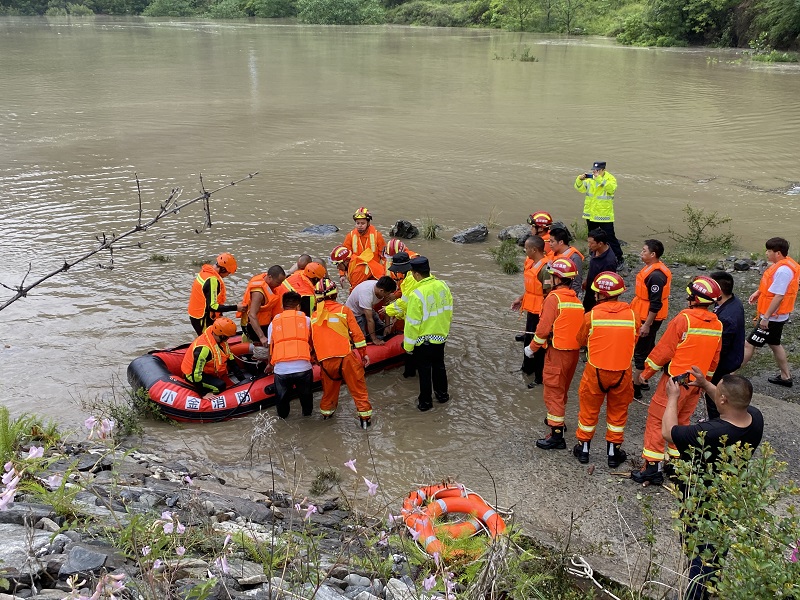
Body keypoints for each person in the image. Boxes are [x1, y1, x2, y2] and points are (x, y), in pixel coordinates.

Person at [662, 368, 763, 600]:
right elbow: (731, 400)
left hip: (700, 500)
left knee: (700, 553)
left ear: (723, 399)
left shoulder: (710, 433)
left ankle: (695, 594)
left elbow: (668, 432)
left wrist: (673, 398)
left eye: (719, 392)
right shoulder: (755, 417)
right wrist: (706, 385)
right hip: (728, 497)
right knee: (717, 546)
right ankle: (711, 588)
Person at [631, 276, 723, 484]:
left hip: (675, 382)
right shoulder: (717, 325)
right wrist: (704, 383)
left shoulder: (684, 319)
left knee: (657, 420)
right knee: (682, 421)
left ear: (694, 297)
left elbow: (663, 351)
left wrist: (645, 374)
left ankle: (652, 467)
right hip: (696, 383)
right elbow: (714, 359)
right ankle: (677, 465)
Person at [573, 272, 639, 466]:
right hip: (622, 372)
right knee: (617, 413)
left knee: (588, 411)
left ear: (601, 294)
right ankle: (613, 453)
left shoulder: (591, 315)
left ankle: (584, 449)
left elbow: (580, 340)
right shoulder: (632, 315)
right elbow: (635, 339)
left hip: (596, 372)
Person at [525, 258, 584, 450]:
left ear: (557, 278)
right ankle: (558, 421)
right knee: (562, 390)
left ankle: (556, 435)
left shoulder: (553, 298)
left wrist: (531, 349)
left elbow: (542, 330)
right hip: (573, 354)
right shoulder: (575, 300)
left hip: (557, 353)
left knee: (553, 392)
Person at [310, 278, 372, 428]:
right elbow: (357, 335)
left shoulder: (313, 317)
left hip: (326, 361)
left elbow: (311, 342)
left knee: (329, 392)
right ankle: (365, 421)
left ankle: (327, 418)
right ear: (335, 294)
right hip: (346, 358)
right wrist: (363, 354)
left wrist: (315, 359)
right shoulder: (344, 310)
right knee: (358, 390)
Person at [739, 237, 800, 387]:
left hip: (772, 317)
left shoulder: (783, 271)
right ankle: (786, 377)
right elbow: (774, 288)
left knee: (749, 344)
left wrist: (765, 318)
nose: (766, 253)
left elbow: (779, 296)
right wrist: (759, 292)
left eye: (769, 251)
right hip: (777, 316)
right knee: (774, 344)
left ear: (777, 253)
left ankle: (729, 374)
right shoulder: (784, 265)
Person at [403, 256, 453, 411]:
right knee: (439, 366)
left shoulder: (416, 294)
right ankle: (442, 395)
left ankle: (425, 402)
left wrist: (408, 347)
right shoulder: (443, 285)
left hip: (423, 341)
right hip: (441, 336)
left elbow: (412, 324)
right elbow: (449, 310)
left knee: (425, 371)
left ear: (416, 274)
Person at [631, 239, 672, 400]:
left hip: (647, 318)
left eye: (644, 251)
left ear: (653, 254)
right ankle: (644, 378)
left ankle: (636, 386)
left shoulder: (656, 276)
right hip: (643, 314)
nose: (641, 253)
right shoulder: (650, 269)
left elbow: (656, 303)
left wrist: (647, 325)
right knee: (648, 347)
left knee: (641, 351)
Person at [266, 292, 313, 419]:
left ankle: (283, 422)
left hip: (282, 371)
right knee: (306, 401)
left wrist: (269, 365)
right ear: (298, 306)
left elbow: (271, 348)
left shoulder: (273, 323)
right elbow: (312, 343)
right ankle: (307, 421)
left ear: (282, 305)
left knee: (282, 405)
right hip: (303, 368)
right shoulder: (307, 320)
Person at [511, 235, 550, 386]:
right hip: (531, 310)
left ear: (534, 250)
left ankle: (539, 378)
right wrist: (520, 299)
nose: (525, 250)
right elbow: (531, 288)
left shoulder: (546, 269)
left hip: (541, 312)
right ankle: (526, 368)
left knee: (539, 344)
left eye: (526, 248)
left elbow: (549, 294)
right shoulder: (532, 264)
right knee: (528, 339)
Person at [706, 271, 745, 419]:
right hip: (732, 359)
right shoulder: (733, 302)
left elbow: (721, 347)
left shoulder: (726, 317)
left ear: (719, 291)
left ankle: (715, 422)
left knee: (714, 395)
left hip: (723, 363)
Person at [574, 161, 623, 265]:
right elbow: (579, 188)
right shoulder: (590, 179)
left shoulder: (610, 178)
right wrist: (579, 179)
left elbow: (612, 189)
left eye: (598, 170)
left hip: (604, 215)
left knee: (610, 237)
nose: (595, 172)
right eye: (594, 170)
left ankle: (618, 258)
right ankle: (593, 254)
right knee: (592, 237)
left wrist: (599, 179)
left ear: (603, 170)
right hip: (591, 214)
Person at [181, 317, 245, 396]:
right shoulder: (204, 349)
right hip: (192, 375)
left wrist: (242, 379)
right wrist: (203, 394)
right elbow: (196, 374)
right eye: (227, 337)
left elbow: (230, 360)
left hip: (206, 371)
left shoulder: (220, 341)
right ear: (222, 336)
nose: (228, 339)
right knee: (220, 386)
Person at [187, 253, 242, 335]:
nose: (227, 275)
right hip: (202, 318)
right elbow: (213, 306)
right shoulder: (212, 281)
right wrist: (236, 307)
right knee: (209, 340)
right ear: (223, 269)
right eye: (228, 273)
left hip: (196, 314)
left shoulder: (206, 272)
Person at [384, 252, 421, 378]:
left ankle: (409, 374)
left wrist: (388, 310)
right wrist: (397, 316)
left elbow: (405, 303)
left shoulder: (410, 279)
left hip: (416, 320)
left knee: (411, 349)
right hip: (414, 316)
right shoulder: (409, 277)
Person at [239, 265, 287, 347]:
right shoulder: (258, 293)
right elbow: (252, 315)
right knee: (260, 350)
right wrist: (262, 337)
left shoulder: (267, 280)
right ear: (269, 277)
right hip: (254, 326)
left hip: (264, 322)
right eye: (278, 282)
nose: (279, 285)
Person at [345, 276, 398, 345]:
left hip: (368, 308)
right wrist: (375, 339)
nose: (389, 296)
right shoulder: (366, 295)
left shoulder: (381, 289)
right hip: (355, 313)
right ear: (382, 291)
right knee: (361, 337)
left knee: (381, 327)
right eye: (388, 294)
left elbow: (386, 309)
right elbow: (369, 320)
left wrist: (387, 326)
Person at [582, 228, 617, 312]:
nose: (588, 245)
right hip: (590, 289)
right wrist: (587, 281)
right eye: (588, 242)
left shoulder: (609, 262)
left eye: (591, 243)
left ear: (600, 243)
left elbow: (608, 284)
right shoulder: (595, 250)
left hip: (598, 295)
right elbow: (592, 267)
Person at [548, 227, 584, 296]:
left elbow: (576, 282)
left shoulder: (574, 258)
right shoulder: (552, 254)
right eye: (549, 241)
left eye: (552, 241)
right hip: (552, 294)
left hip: (565, 295)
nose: (550, 244)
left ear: (561, 242)